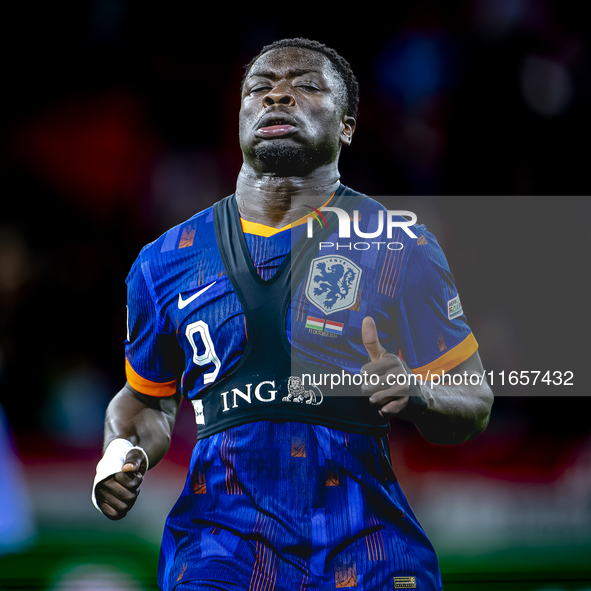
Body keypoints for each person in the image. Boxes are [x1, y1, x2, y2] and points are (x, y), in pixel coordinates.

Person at [92, 38, 493, 591]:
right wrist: (120, 450)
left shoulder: (401, 247)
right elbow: (145, 399)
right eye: (259, 87)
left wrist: (420, 393)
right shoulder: (162, 262)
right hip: (218, 554)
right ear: (239, 118)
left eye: (306, 85)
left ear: (347, 125)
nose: (278, 94)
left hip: (370, 553)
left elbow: (473, 401)